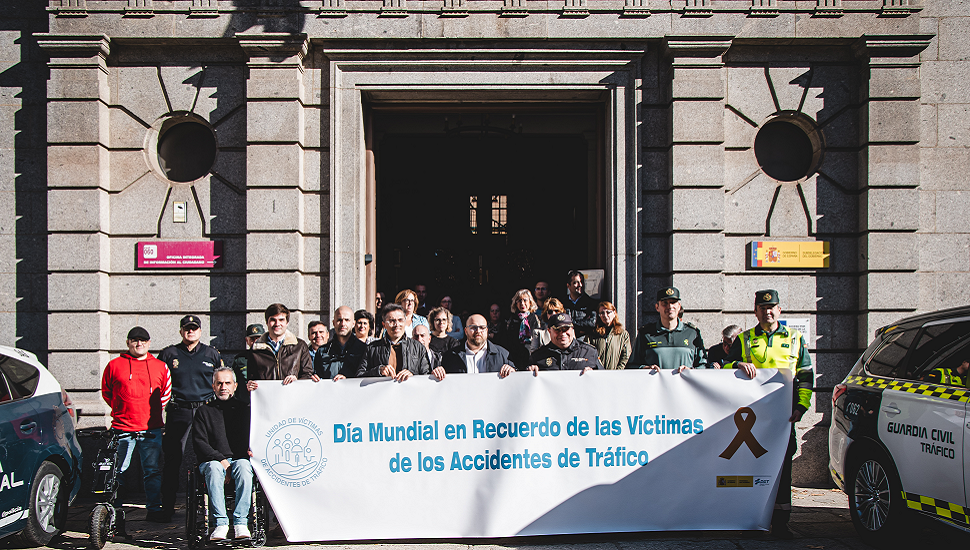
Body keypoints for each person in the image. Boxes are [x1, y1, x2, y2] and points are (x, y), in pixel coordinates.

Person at [721, 289, 814, 539]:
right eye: (762, 308)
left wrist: (801, 406)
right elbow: (723, 367)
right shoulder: (744, 339)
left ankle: (781, 524)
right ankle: (750, 519)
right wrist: (737, 364)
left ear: (779, 310)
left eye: (772, 307)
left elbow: (805, 375)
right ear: (756, 312)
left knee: (782, 471)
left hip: (782, 419)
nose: (767, 311)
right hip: (751, 420)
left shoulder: (795, 339)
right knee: (752, 469)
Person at [158, 315, 225, 522]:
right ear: (181, 331)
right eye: (187, 328)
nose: (190, 331)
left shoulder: (212, 353)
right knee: (172, 460)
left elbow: (221, 379)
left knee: (212, 455)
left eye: (194, 328)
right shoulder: (169, 354)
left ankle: (215, 508)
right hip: (179, 410)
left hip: (206, 411)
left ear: (200, 331)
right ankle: (167, 507)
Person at [100, 327, 171, 522]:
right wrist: (121, 409)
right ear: (128, 343)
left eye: (142, 340)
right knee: (118, 471)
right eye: (134, 340)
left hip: (151, 428)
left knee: (152, 471)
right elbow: (106, 391)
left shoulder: (160, 366)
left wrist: (151, 413)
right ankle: (114, 511)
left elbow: (165, 393)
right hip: (122, 428)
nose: (139, 343)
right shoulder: (114, 365)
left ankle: (154, 509)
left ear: (149, 343)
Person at [192, 366, 252, 541]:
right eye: (219, 383)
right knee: (214, 468)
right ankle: (221, 523)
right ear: (213, 386)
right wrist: (221, 460)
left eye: (227, 383)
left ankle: (241, 522)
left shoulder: (245, 410)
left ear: (235, 386)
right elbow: (199, 443)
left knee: (244, 466)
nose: (223, 387)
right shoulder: (204, 411)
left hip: (238, 459)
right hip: (212, 461)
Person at [628, 287, 707, 372]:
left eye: (673, 302)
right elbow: (632, 367)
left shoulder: (692, 333)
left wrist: (690, 371)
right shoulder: (645, 334)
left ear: (679, 306)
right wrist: (645, 369)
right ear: (657, 307)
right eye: (665, 303)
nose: (670, 306)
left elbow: (704, 366)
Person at [244, 303, 319, 391]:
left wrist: (297, 381)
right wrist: (250, 385)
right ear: (267, 322)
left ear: (287, 322)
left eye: (281, 320)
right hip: (267, 399)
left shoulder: (299, 346)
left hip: (292, 398)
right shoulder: (256, 349)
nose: (277, 324)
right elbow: (251, 378)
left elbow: (308, 374)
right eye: (273, 320)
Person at [358, 303, 430, 380]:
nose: (397, 324)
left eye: (400, 320)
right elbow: (359, 376)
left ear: (405, 322)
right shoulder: (372, 348)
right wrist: (379, 371)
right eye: (392, 321)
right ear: (384, 325)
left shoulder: (418, 347)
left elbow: (426, 377)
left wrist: (413, 376)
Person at [438, 314, 515, 379]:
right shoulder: (451, 356)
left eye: (482, 327)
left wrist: (513, 372)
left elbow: (516, 380)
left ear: (487, 331)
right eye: (473, 327)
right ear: (465, 331)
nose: (478, 331)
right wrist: (438, 373)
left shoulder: (503, 355)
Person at [528, 313, 602, 373]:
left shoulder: (589, 352)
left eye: (566, 329)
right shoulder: (537, 357)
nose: (562, 333)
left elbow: (604, 379)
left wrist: (594, 375)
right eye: (557, 330)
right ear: (549, 331)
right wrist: (530, 372)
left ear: (572, 329)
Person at [317, 306, 367, 381]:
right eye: (339, 320)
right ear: (333, 323)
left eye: (347, 320)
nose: (343, 324)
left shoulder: (364, 349)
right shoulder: (322, 351)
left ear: (353, 323)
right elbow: (316, 376)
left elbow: (366, 377)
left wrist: (347, 380)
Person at [500, 289, 541, 370]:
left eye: (525, 300)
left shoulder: (536, 319)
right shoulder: (511, 320)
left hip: (532, 356)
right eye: (519, 301)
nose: (522, 303)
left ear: (530, 302)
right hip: (515, 358)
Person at [589, 301, 632, 370]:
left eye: (608, 312)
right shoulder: (593, 334)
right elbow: (588, 354)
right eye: (602, 313)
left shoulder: (622, 334)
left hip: (616, 375)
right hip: (597, 374)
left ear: (614, 313)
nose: (605, 315)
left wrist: (618, 371)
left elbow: (626, 356)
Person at [231, 323, 265, 405]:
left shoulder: (270, 358)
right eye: (252, 339)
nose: (255, 342)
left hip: (265, 402)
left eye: (258, 338)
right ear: (247, 341)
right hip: (245, 403)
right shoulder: (240, 359)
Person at [562, 270, 597, 341]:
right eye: (576, 282)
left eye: (582, 282)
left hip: (584, 340)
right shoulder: (562, 303)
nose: (580, 285)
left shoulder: (591, 303)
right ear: (568, 286)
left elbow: (592, 323)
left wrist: (572, 323)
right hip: (566, 340)